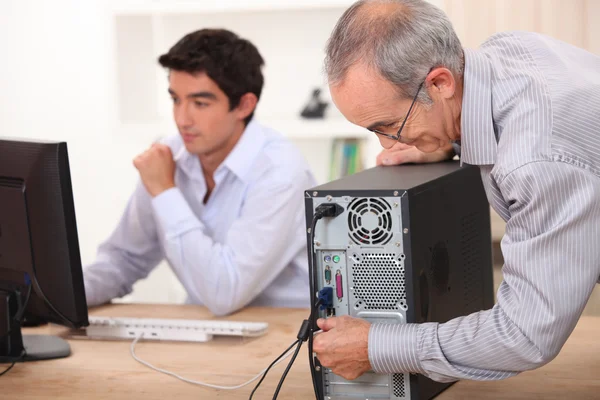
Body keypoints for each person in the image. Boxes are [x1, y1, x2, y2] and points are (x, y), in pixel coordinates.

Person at [313, 0, 600, 383]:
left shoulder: (536, 158)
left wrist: (375, 346)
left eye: (390, 125)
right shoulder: (505, 52)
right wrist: (446, 138)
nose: (387, 146)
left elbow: (525, 335)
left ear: (440, 83)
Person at [83, 29, 316, 316]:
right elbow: (125, 260)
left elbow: (225, 292)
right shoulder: (169, 156)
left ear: (244, 105)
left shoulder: (280, 172)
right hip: (205, 326)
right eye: (176, 100)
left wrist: (165, 192)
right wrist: (58, 298)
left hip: (285, 336)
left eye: (200, 103)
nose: (182, 119)